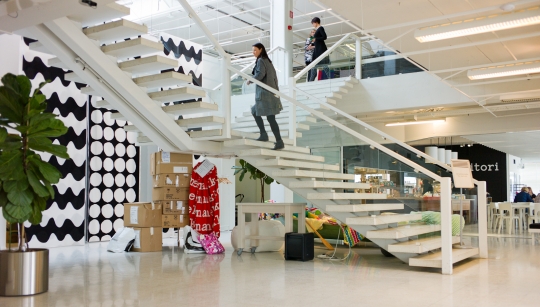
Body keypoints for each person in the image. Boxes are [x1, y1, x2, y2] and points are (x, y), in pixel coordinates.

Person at [246, 43, 284, 150]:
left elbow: (260, 74)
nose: (253, 52)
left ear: (261, 49)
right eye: (252, 50)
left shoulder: (261, 60)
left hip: (265, 94)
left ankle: (270, 137)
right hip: (270, 92)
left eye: (255, 50)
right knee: (267, 116)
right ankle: (273, 138)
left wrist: (251, 80)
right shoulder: (267, 61)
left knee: (267, 117)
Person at [308, 17, 328, 82]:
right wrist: (312, 44)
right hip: (317, 49)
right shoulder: (318, 29)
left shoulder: (320, 28)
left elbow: (324, 37)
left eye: (313, 23)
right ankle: (311, 81)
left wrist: (316, 39)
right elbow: (318, 41)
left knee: (324, 65)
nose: (313, 25)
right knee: (315, 65)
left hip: (320, 49)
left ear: (316, 22)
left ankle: (330, 78)